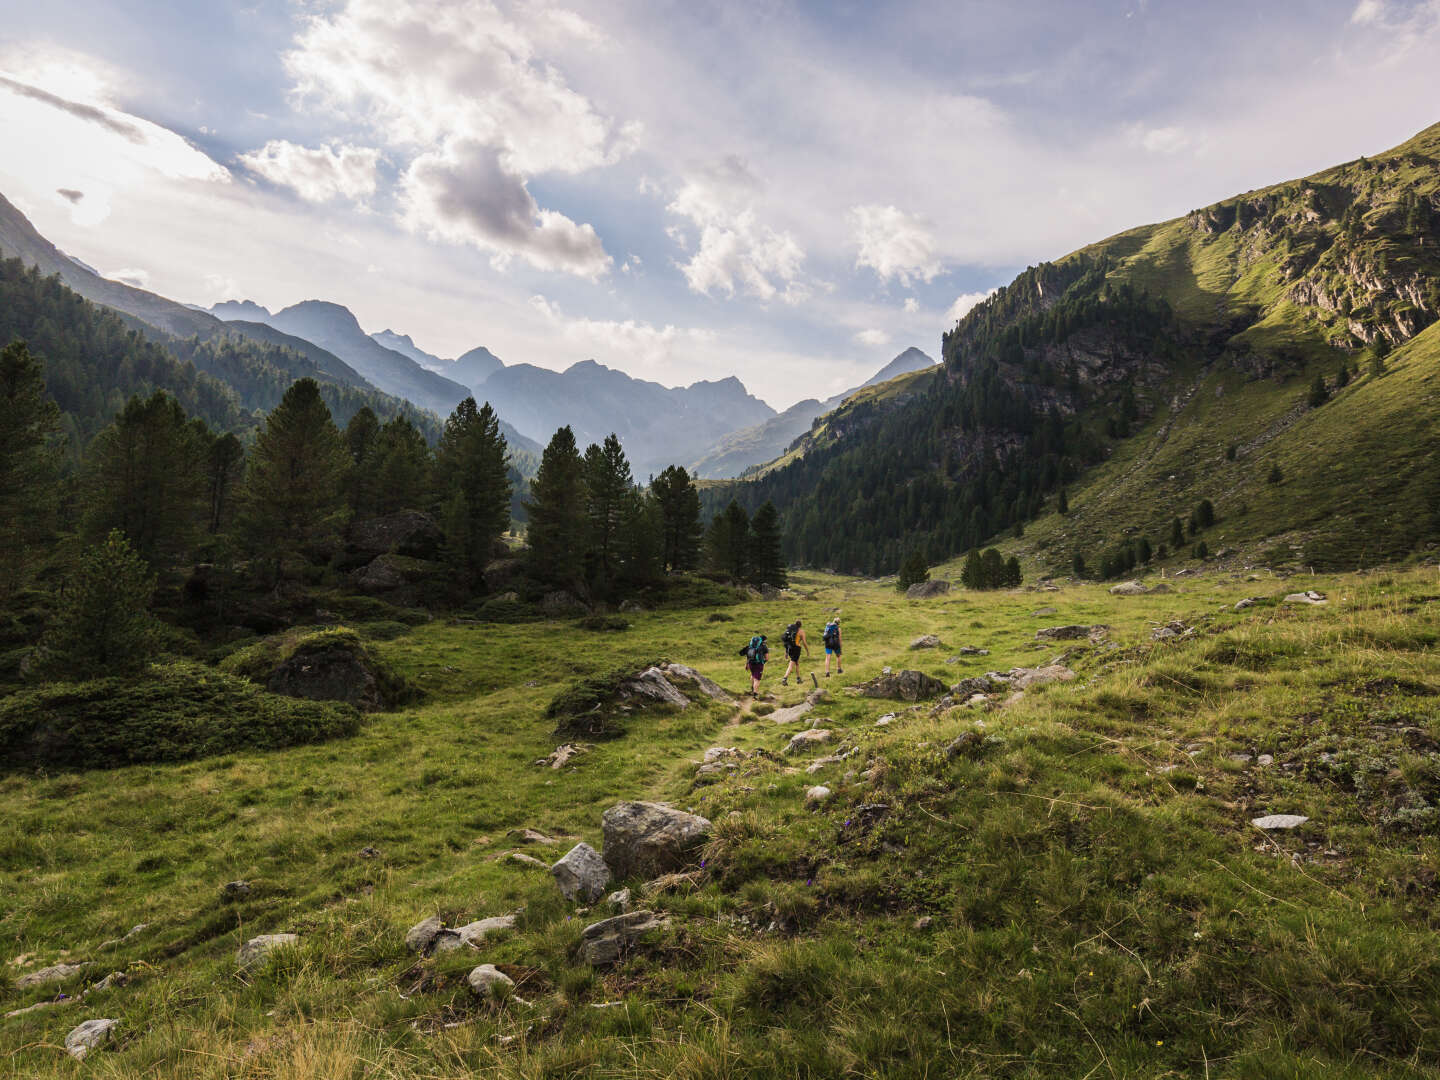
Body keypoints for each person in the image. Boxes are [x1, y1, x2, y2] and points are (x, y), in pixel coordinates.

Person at [779, 618, 808, 686]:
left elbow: (787, 642)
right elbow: (804, 642)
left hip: (790, 648)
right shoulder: (801, 631)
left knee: (797, 663)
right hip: (796, 648)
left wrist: (786, 652)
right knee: (791, 664)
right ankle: (785, 678)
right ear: (800, 625)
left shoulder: (791, 630)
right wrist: (807, 651)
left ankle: (798, 679)